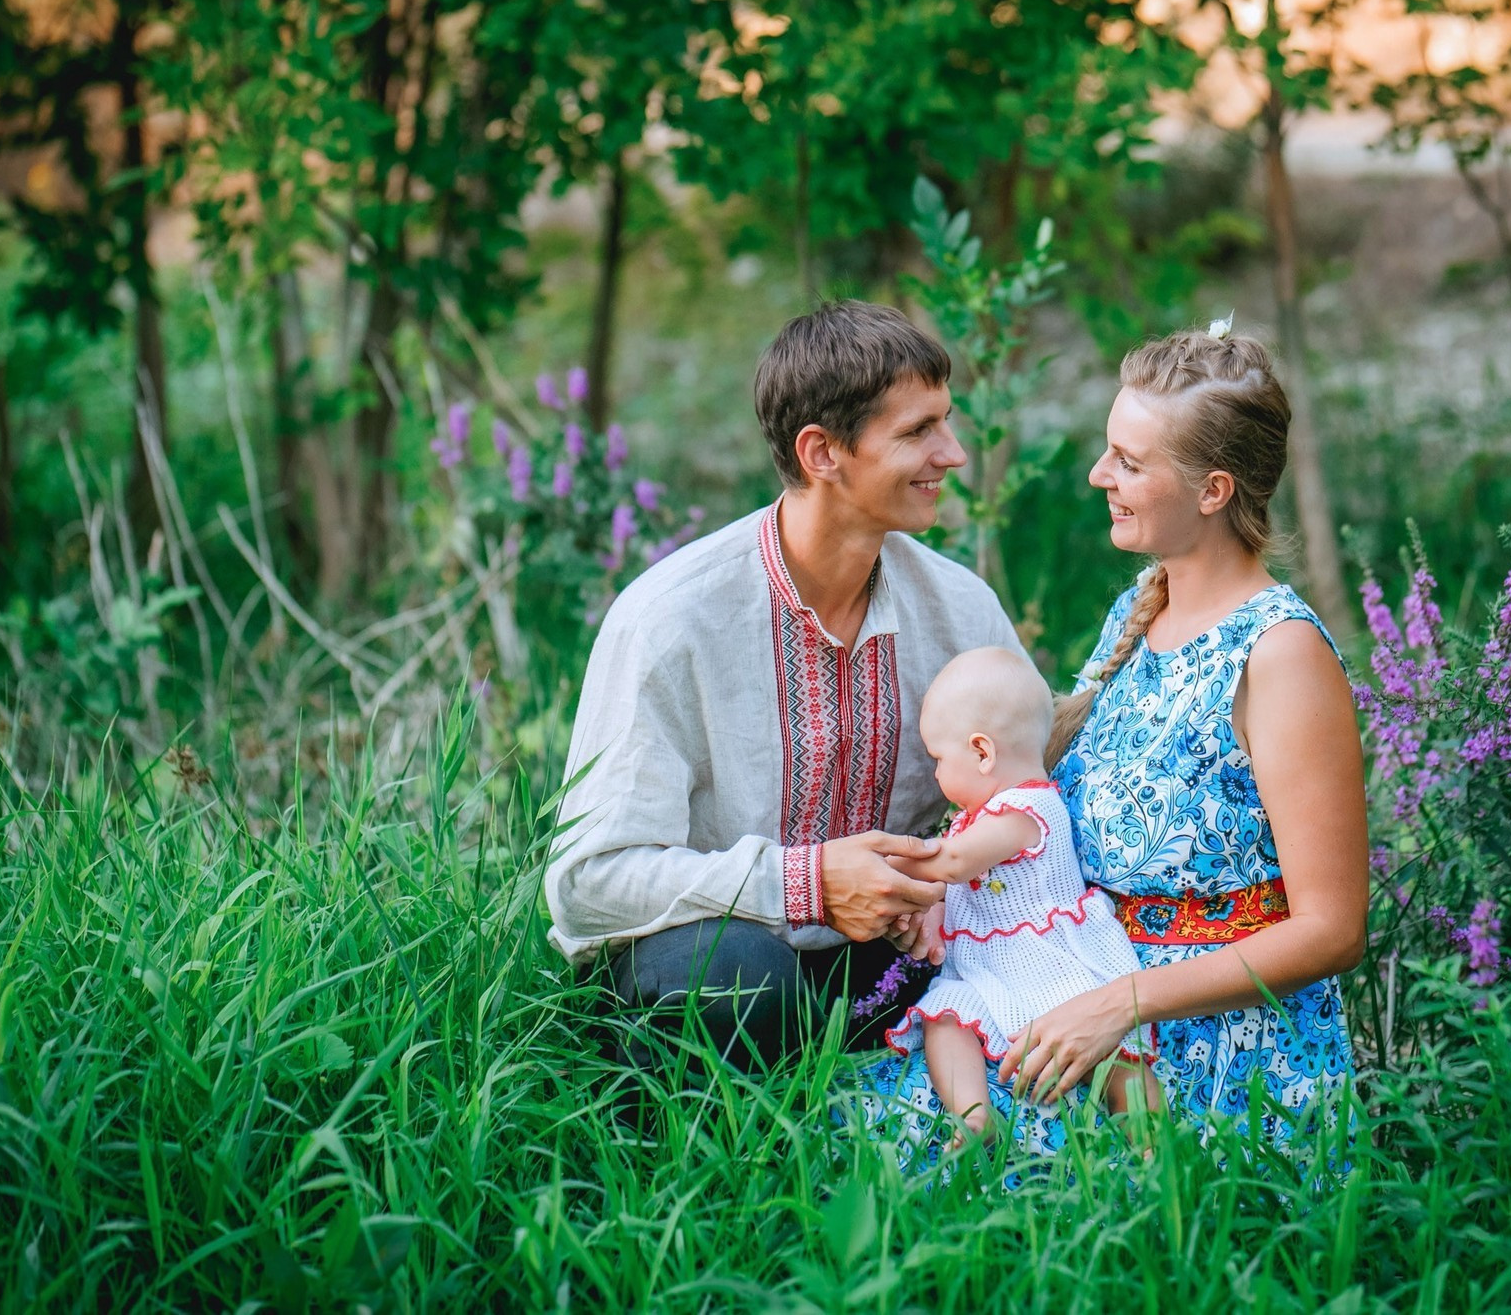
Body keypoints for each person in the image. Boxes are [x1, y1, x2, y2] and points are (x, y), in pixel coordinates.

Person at [863, 326, 1367, 1155]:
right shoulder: (1143, 607)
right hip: (1071, 988)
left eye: (1129, 462)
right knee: (869, 1122)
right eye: (1109, 451)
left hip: (1208, 1047)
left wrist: (1123, 1001)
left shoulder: (1279, 655)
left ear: (1212, 491)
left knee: (933, 1168)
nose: (1101, 475)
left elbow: (1333, 928)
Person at [547, 300, 1027, 1069]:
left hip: (888, 961)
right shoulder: (672, 620)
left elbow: (1026, 790)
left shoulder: (961, 609)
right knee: (741, 980)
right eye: (918, 432)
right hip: (723, 964)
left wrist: (950, 889)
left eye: (947, 421)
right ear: (822, 453)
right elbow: (588, 884)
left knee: (1023, 949)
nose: (955, 453)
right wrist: (806, 884)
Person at [882, 647, 1155, 1143]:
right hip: (991, 971)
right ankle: (974, 1114)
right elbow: (964, 885)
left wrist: (882, 863)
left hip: (1052, 962)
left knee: (1118, 1057)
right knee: (946, 1014)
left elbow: (957, 863)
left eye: (939, 759)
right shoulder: (981, 816)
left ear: (983, 752)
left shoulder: (1027, 809)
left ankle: (1151, 1138)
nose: (936, 775)